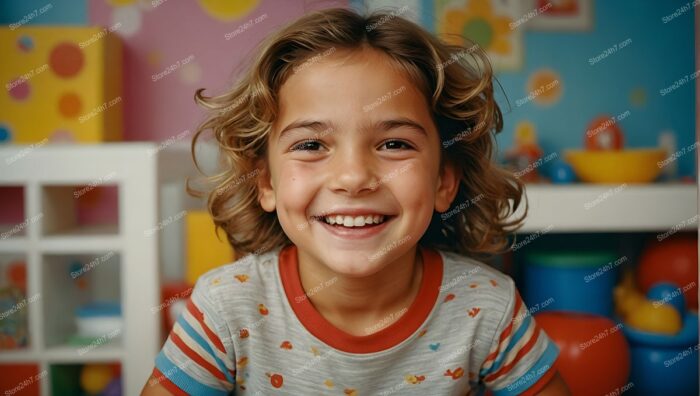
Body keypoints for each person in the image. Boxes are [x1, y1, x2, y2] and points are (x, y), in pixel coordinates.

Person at [142, 7, 570, 395]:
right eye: (311, 145)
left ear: (443, 181)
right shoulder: (225, 308)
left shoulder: (487, 307)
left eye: (395, 144)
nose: (353, 177)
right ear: (265, 181)